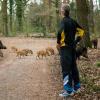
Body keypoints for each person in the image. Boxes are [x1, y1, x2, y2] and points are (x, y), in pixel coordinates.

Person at [57, 4, 85, 97]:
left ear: (63, 11)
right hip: (73, 48)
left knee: (66, 69)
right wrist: (76, 41)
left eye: (61, 10)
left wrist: (58, 43)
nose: (60, 11)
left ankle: (68, 91)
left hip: (65, 49)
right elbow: (81, 30)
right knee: (73, 67)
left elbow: (60, 32)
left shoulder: (63, 21)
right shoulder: (73, 21)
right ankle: (77, 87)